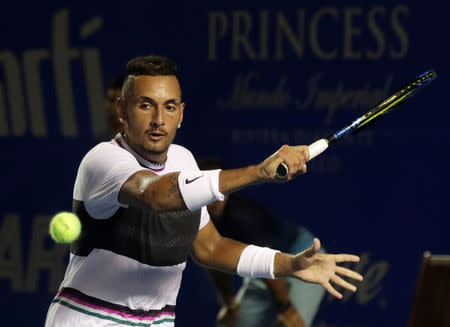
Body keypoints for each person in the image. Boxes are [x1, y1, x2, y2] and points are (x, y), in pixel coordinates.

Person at [44, 55, 363, 327]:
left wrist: (290, 265)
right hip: (87, 319)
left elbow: (211, 248)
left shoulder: (184, 161)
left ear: (181, 114)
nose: (158, 120)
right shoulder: (103, 160)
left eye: (169, 107)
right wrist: (258, 172)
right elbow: (158, 196)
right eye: (146, 106)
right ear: (122, 112)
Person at [198, 159, 325, 327]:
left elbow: (267, 260)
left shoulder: (240, 217)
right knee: (227, 325)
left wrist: (287, 308)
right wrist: (230, 305)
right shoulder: (200, 215)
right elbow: (214, 263)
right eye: (201, 184)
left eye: (212, 183)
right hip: (266, 272)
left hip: (303, 261)